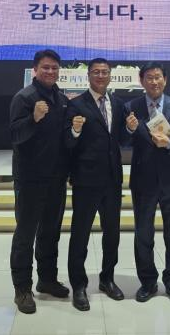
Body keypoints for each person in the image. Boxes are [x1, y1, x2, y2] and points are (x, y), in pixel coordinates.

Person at [125, 61, 170, 306]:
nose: (154, 81)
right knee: (143, 234)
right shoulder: (132, 107)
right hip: (143, 181)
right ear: (141, 81)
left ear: (165, 80)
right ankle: (147, 281)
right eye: (149, 77)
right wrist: (129, 130)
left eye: (158, 77)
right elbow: (123, 141)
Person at [65, 58, 133, 311]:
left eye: (105, 72)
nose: (101, 76)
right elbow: (67, 142)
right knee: (80, 234)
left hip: (112, 180)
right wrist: (74, 131)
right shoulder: (76, 104)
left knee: (112, 234)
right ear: (89, 76)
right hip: (85, 179)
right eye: (96, 72)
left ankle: (107, 279)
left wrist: (130, 129)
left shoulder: (118, 104)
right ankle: (79, 285)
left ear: (110, 75)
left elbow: (120, 139)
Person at [8, 49, 71, 314]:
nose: (50, 72)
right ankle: (22, 288)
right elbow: (14, 135)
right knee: (26, 234)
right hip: (30, 178)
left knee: (50, 232)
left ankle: (47, 279)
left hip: (56, 178)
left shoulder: (61, 99)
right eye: (45, 67)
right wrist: (33, 118)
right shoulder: (24, 98)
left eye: (54, 68)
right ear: (35, 69)